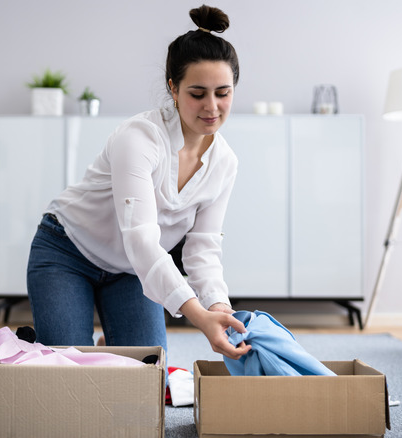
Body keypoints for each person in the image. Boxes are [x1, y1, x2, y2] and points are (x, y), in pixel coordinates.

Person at [26, 5, 250, 361]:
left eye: (223, 92)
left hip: (131, 271)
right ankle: (54, 343)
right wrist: (197, 316)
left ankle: (107, 344)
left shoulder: (225, 163)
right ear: (173, 89)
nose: (212, 106)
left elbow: (202, 249)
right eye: (197, 93)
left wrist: (220, 309)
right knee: (67, 371)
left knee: (147, 373)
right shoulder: (139, 138)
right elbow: (142, 240)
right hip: (67, 252)